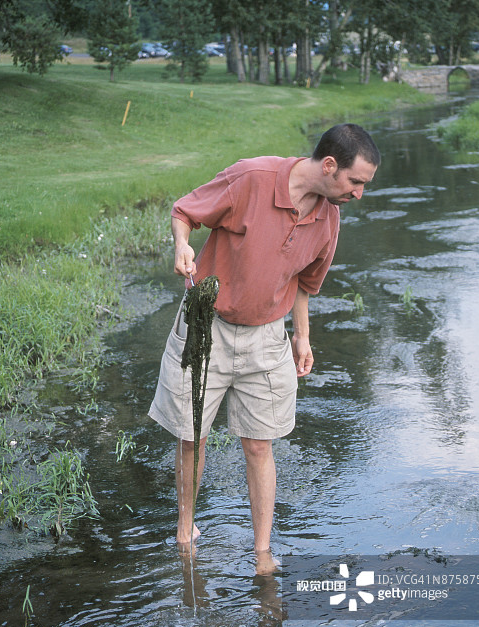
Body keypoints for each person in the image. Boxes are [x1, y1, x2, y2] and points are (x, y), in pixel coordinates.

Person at [149, 123, 380, 570]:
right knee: (192, 437)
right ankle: (184, 530)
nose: (359, 194)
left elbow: (304, 283)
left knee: (260, 445)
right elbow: (185, 212)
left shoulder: (329, 218)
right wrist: (181, 246)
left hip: (268, 339)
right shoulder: (251, 179)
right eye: (356, 182)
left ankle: (261, 550)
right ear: (330, 166)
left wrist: (302, 337)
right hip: (206, 327)